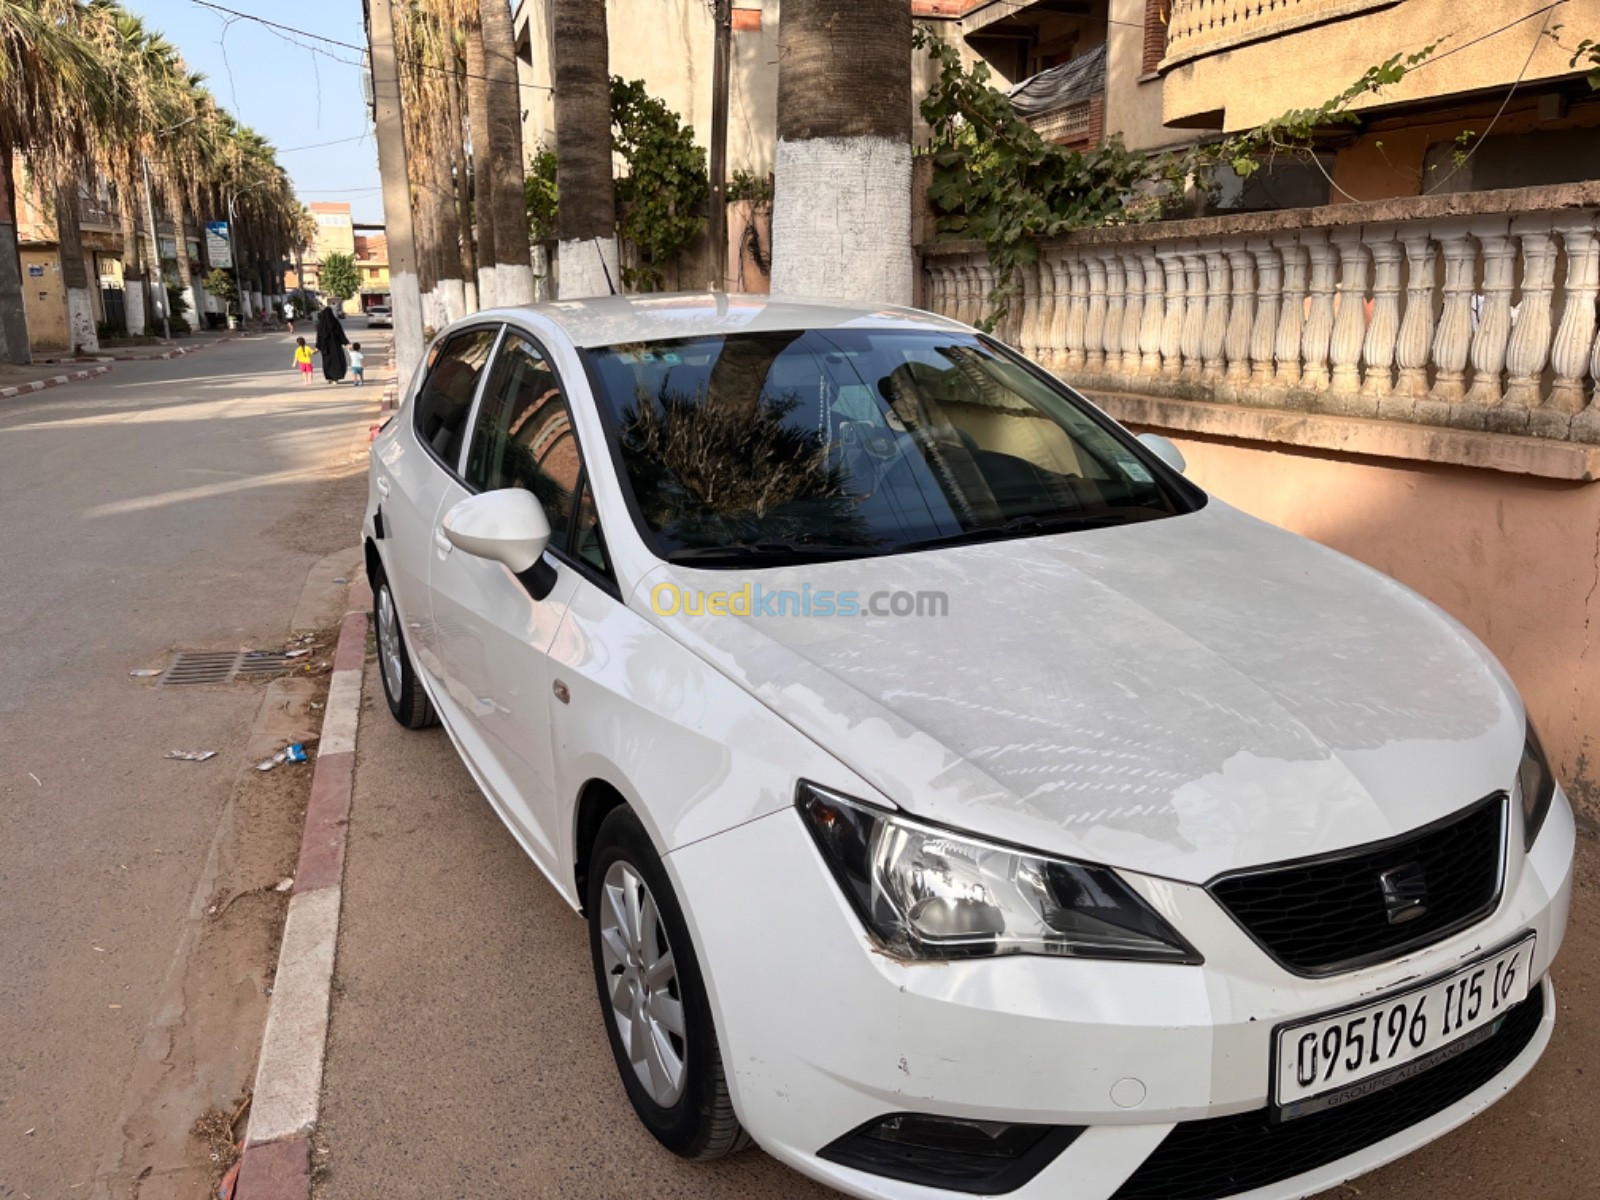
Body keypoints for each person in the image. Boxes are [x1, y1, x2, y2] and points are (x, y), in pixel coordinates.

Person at [316, 305, 350, 384]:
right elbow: (340, 334)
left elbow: (319, 337)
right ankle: (336, 378)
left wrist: (318, 347)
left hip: (325, 348)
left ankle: (330, 378)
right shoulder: (335, 323)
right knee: (336, 362)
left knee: (328, 362)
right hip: (335, 347)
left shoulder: (321, 325)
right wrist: (346, 343)